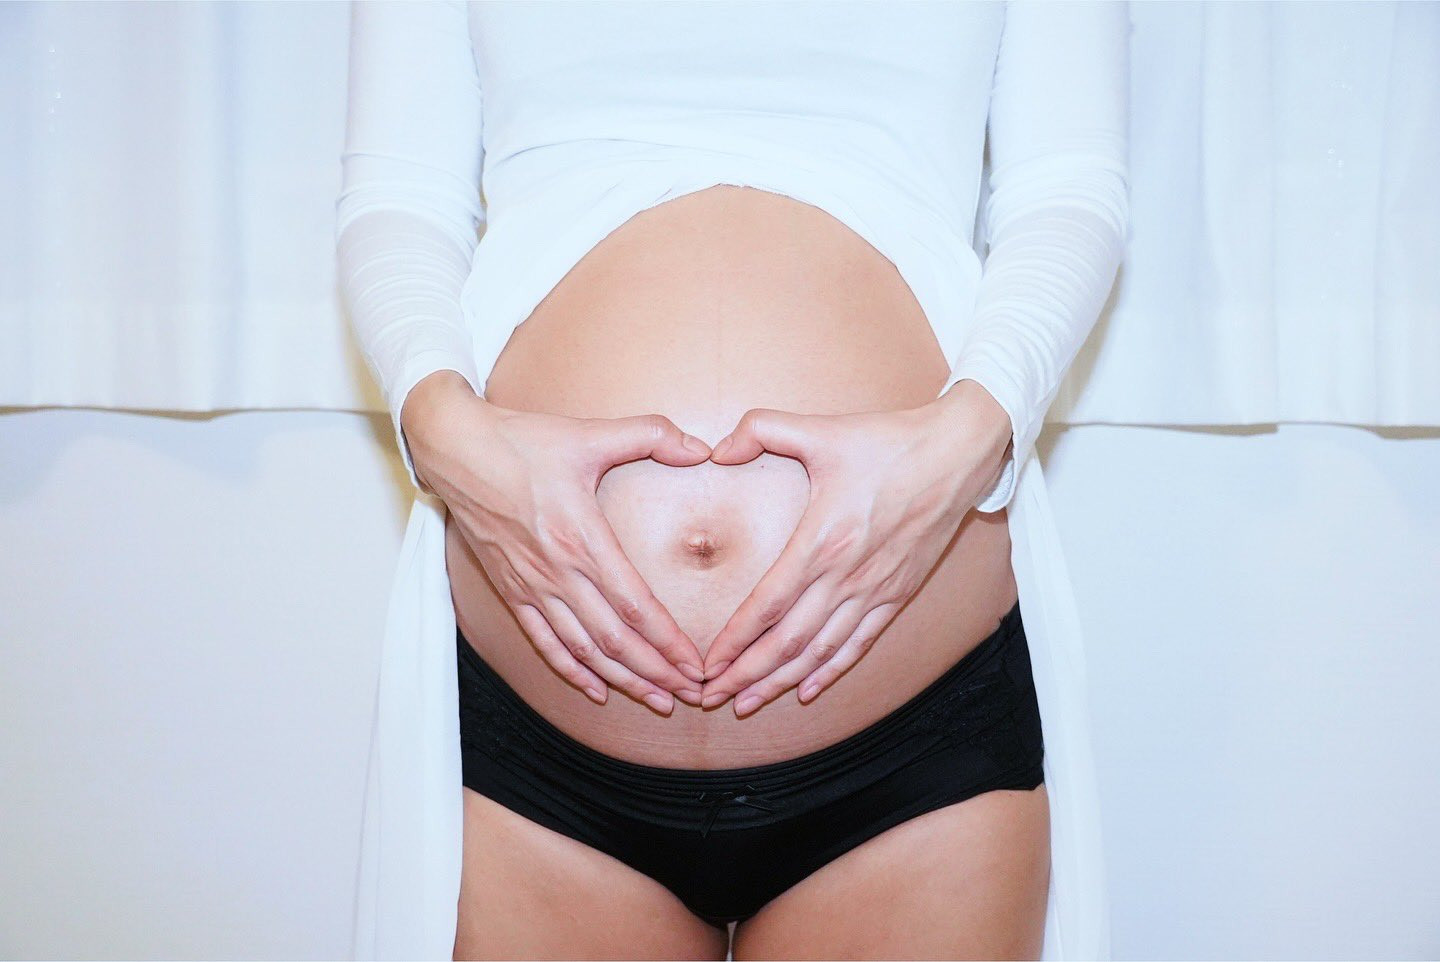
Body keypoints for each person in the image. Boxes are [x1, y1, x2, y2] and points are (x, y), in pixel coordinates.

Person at [335, 2, 1128, 959]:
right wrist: (443, 431)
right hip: (537, 757)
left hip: (917, 752)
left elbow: (1066, 189)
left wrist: (969, 438)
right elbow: (401, 198)